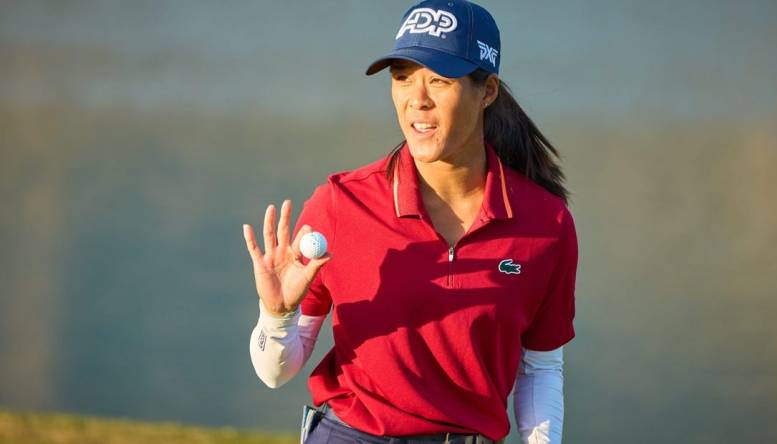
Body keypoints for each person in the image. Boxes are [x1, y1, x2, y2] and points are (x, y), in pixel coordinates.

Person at [242, 1, 578, 443]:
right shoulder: (341, 204)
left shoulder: (546, 224)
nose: (417, 99)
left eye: (439, 79)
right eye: (402, 77)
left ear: (488, 90)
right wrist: (277, 315)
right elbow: (275, 373)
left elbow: (540, 369)